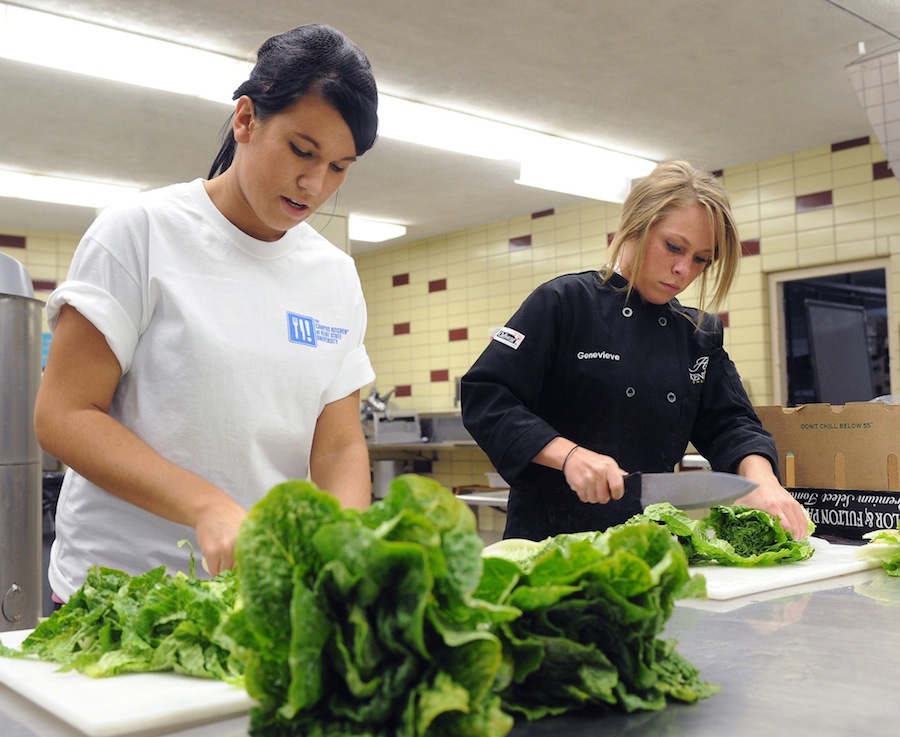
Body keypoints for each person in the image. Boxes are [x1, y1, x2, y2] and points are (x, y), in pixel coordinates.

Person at [34, 24, 379, 603]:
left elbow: (338, 446)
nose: (315, 185)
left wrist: (345, 542)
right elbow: (65, 414)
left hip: (259, 598)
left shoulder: (333, 275)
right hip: (122, 593)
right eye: (302, 150)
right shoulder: (139, 232)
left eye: (339, 167)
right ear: (246, 120)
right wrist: (207, 506)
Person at [461, 160, 810, 542]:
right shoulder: (563, 303)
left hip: (650, 542)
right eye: (674, 247)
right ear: (635, 227)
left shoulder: (697, 333)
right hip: (551, 542)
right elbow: (488, 396)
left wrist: (761, 480)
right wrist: (569, 455)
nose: (683, 270)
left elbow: (732, 424)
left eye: (700, 259)